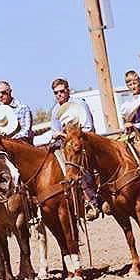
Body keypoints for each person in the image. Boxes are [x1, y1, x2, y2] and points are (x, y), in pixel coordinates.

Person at [49, 77, 99, 220]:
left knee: (77, 162)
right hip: (65, 145)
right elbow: (54, 130)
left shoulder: (79, 104)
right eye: (56, 93)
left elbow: (88, 127)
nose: (59, 95)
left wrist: (68, 136)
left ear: (68, 90)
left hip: (82, 142)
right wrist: (58, 136)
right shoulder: (55, 111)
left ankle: (91, 200)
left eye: (62, 91)